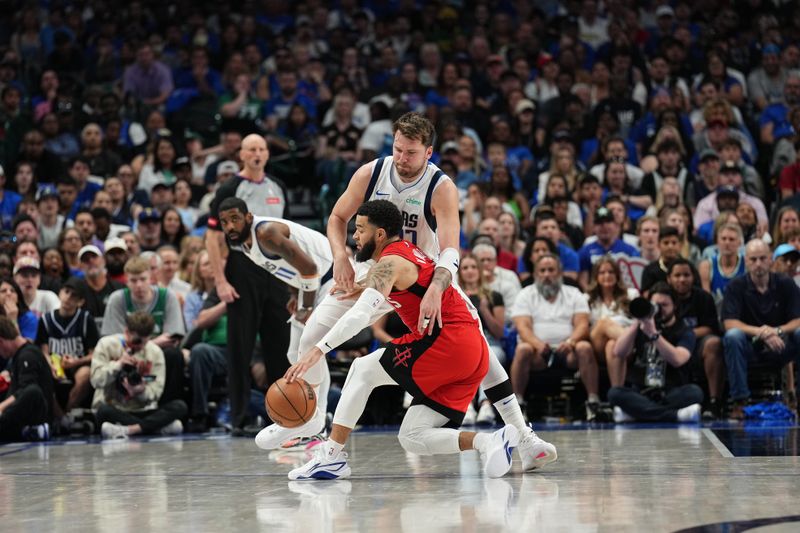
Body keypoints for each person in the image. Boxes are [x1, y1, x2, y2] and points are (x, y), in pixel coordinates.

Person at [302, 111, 554, 470]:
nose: (402, 159)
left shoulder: (442, 187)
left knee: (480, 350)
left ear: (429, 152)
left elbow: (451, 250)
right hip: (373, 274)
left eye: (411, 153)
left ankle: (522, 435)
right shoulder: (372, 172)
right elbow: (336, 219)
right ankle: (305, 426)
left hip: (424, 279)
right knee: (310, 334)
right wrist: (339, 258)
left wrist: (437, 286)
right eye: (398, 149)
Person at [283, 200, 528, 480]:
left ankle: (332, 456)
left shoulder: (390, 262)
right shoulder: (408, 254)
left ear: (379, 234)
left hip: (448, 341)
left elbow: (361, 315)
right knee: (412, 436)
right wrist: (362, 285)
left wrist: (317, 350)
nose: (354, 236)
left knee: (362, 370)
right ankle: (489, 442)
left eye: (360, 230)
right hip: (472, 352)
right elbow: (401, 279)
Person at [216, 197, 334, 446]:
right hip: (310, 284)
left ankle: (317, 425)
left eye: (235, 219)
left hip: (330, 279)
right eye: (225, 221)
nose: (230, 226)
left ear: (248, 217)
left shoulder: (266, 232)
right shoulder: (242, 244)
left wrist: (307, 307)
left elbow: (310, 267)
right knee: (294, 355)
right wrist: (294, 293)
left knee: (310, 352)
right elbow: (285, 268)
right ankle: (312, 421)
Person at [205, 133, 291, 434]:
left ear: (267, 154)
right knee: (240, 347)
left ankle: (282, 416)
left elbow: (289, 236)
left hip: (277, 271)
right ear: (241, 155)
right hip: (243, 268)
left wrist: (292, 283)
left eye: (261, 149)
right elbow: (213, 236)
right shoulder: (230, 187)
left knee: (280, 347)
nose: (256, 154)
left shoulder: (278, 187)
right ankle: (239, 418)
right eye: (251, 149)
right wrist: (220, 281)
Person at [509, 253, 600, 420]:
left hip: (568, 351)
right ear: (536, 274)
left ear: (559, 273)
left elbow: (582, 324)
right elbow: (523, 328)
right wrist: (538, 345)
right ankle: (518, 404)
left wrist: (571, 341)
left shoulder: (574, 293)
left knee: (585, 347)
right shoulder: (525, 294)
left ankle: (593, 402)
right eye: (542, 270)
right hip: (538, 353)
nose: (546, 275)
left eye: (551, 270)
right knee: (522, 348)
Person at [721, 239, 800, 419]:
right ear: (746, 261)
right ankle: (740, 402)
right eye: (753, 259)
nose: (758, 264)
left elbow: (798, 320)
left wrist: (777, 331)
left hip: (781, 345)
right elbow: (729, 323)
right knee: (733, 336)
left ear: (770, 259)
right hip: (750, 346)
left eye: (762, 258)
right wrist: (761, 332)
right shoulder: (736, 286)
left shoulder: (786, 283)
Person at [607, 282, 703, 423]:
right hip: (640, 391)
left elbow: (678, 359)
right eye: (655, 305)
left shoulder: (684, 331)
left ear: (674, 306)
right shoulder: (642, 326)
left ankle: (636, 414)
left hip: (670, 390)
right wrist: (637, 322)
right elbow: (619, 352)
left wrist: (654, 335)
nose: (659, 310)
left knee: (695, 392)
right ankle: (675, 415)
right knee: (614, 393)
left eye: (664, 305)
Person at [101, 257, 186, 405]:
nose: (139, 285)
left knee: (174, 355)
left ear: (151, 278)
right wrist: (154, 342)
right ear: (126, 280)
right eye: (133, 280)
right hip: (127, 355)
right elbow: (115, 341)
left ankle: (169, 405)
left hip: (160, 353)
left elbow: (173, 338)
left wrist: (142, 344)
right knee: (118, 359)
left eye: (143, 279)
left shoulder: (167, 296)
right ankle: (121, 406)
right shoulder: (118, 299)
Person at [91, 312, 187, 439]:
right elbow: (95, 381)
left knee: (180, 406)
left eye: (144, 342)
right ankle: (155, 428)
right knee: (102, 412)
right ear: (127, 332)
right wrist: (117, 365)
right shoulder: (106, 345)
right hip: (115, 408)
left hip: (143, 410)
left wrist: (140, 392)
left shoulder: (154, 352)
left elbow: (156, 391)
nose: (140, 347)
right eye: (136, 341)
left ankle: (130, 430)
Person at [666, 258, 725, 420]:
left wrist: (685, 335)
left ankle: (714, 402)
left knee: (714, 343)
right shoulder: (663, 298)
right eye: (677, 275)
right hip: (669, 346)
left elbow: (710, 327)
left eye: (686, 275)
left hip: (697, 345)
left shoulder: (704, 298)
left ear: (694, 277)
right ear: (669, 279)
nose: (682, 279)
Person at [35, 277, 98, 418]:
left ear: (81, 302)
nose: (68, 298)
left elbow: (94, 354)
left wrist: (75, 362)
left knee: (85, 375)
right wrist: (50, 365)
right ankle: (60, 418)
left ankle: (68, 412)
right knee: (42, 376)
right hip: (54, 363)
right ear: (60, 293)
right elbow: (43, 351)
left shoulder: (86, 319)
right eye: (66, 292)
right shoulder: (46, 319)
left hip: (78, 363)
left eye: (74, 295)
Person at [585, 257, 639, 387]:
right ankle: (630, 343)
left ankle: (617, 395)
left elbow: (639, 322)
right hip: (597, 343)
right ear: (596, 277)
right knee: (604, 323)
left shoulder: (632, 295)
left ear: (617, 275)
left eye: (611, 272)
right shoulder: (587, 299)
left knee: (612, 345)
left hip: (620, 347)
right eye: (602, 273)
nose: (607, 276)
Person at [0, 315, 52, 441]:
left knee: (31, 391)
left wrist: (1, 406)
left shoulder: (27, 355)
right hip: (19, 415)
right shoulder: (18, 356)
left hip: (36, 413)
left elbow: (27, 389)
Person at [577, 205, 640, 289]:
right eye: (600, 223)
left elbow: (636, 279)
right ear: (594, 227)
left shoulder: (629, 250)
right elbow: (583, 281)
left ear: (615, 225)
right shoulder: (585, 252)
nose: (604, 226)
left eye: (608, 222)